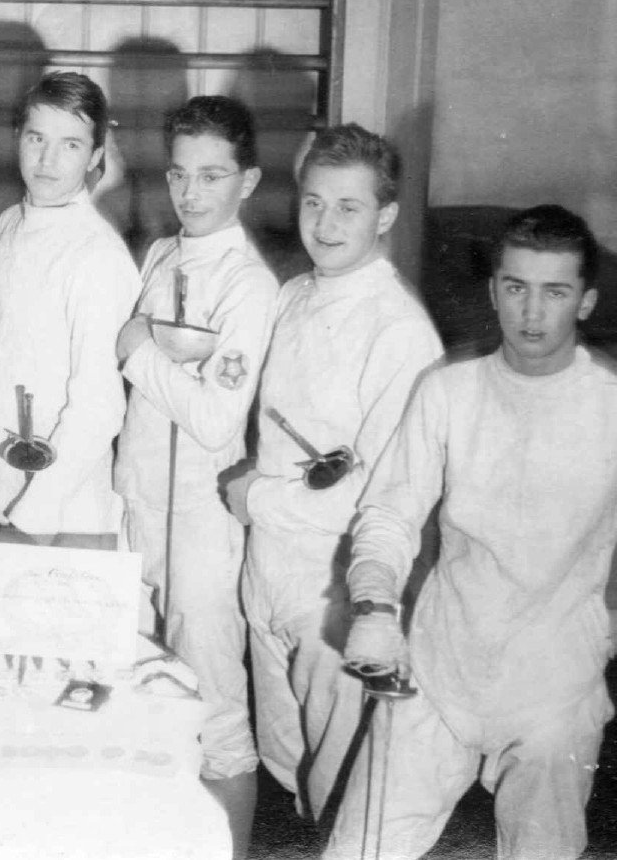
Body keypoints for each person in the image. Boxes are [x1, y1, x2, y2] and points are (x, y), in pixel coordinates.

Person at [327, 205, 617, 860]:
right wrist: (374, 602)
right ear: (493, 291)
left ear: (585, 301)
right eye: (516, 287)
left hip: (551, 689)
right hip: (439, 668)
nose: (531, 313)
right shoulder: (448, 392)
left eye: (554, 292)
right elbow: (390, 511)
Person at [222, 123, 443, 821]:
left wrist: (255, 499)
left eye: (349, 207)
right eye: (314, 203)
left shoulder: (400, 332)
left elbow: (380, 498)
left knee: (340, 787)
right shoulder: (292, 295)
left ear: (386, 215)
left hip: (333, 589)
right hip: (266, 571)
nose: (325, 223)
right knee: (285, 770)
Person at [114, 95, 279, 858]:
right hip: (138, 511)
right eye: (179, 174)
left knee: (215, 720)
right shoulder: (158, 255)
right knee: (144, 705)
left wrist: (136, 352)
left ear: (247, 181)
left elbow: (215, 419)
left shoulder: (249, 284)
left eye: (211, 176)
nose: (190, 192)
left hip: (202, 528)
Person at [0, 71, 140, 537]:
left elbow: (99, 406)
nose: (47, 160)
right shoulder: (10, 222)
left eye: (70, 145)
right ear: (18, 139)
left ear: (95, 156)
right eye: (37, 139)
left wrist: (32, 517)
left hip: (63, 512)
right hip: (1, 493)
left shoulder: (98, 254)